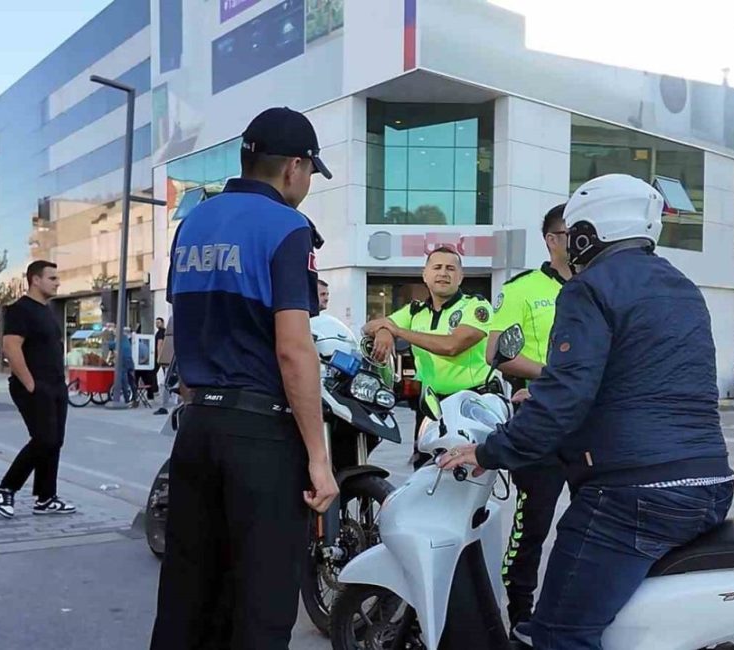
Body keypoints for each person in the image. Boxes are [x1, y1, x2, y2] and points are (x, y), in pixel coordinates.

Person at [440, 174, 733, 649]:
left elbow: (564, 399)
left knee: (556, 633)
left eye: (572, 232)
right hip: (710, 487)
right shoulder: (682, 287)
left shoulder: (588, 288)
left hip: (634, 496)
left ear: (585, 235)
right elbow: (641, 378)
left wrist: (490, 452)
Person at [151, 106, 339, 650]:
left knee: (188, 594)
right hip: (260, 438)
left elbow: (182, 330)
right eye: (309, 173)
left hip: (198, 430)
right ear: (294, 168)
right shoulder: (287, 227)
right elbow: (294, 351)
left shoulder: (192, 225)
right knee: (261, 603)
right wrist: (318, 457)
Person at [485, 203, 572, 630]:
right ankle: (520, 612)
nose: (579, 241)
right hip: (541, 422)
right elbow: (496, 353)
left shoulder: (601, 286)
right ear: (551, 239)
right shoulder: (523, 289)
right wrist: (557, 375)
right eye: (570, 233)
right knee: (533, 523)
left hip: (596, 428)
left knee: (592, 524)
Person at [364, 246, 493, 470]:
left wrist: (398, 332)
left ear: (460, 277)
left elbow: (452, 346)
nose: (443, 273)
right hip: (430, 407)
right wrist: (385, 331)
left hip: (469, 405)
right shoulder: (415, 311)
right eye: (437, 267)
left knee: (465, 478)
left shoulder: (476, 306)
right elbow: (369, 327)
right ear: (425, 275)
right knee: (424, 473)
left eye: (450, 268)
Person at [0, 261, 75, 518]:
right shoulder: (20, 310)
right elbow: (11, 347)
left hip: (56, 386)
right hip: (34, 386)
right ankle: (6, 489)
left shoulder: (48, 311)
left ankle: (46, 498)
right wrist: (30, 383)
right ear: (35, 280)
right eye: (52, 278)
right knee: (44, 439)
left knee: (55, 442)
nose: (57, 282)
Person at [154, 314, 176, 416]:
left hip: (168, 360)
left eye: (158, 322)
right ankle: (173, 401)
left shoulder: (163, 334)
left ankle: (165, 406)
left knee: (166, 382)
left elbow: (160, 345)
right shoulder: (169, 333)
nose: (157, 324)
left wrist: (159, 358)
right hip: (174, 359)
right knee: (171, 380)